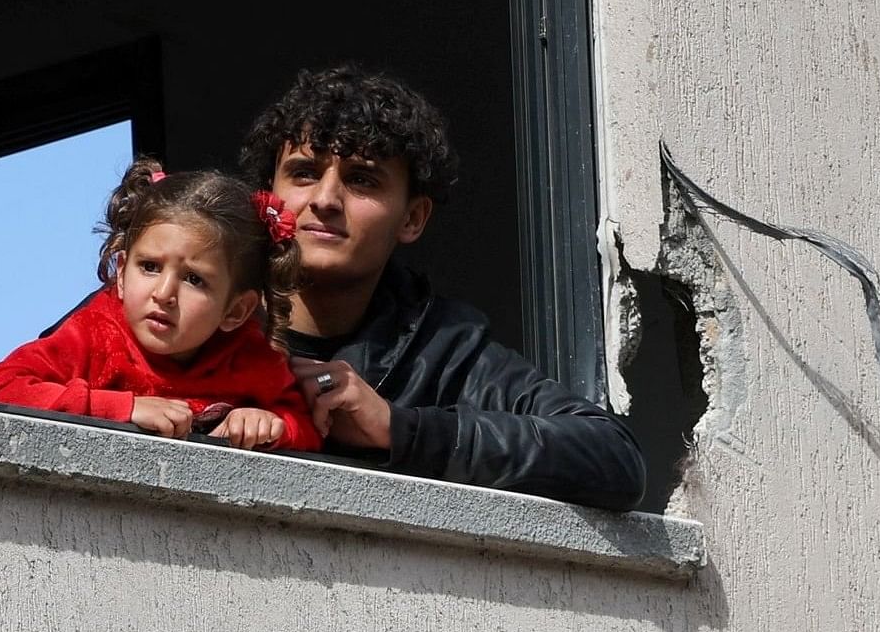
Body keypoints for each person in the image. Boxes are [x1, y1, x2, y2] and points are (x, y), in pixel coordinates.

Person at [243, 67, 649, 509]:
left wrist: (400, 429)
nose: (324, 200)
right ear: (266, 198)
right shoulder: (194, 310)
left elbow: (614, 456)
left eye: (362, 179)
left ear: (413, 218)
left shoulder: (442, 350)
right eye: (303, 173)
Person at [0, 162, 320, 450]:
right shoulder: (95, 336)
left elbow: (307, 428)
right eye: (150, 267)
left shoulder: (250, 357)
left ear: (236, 311)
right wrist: (124, 408)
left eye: (194, 280)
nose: (164, 292)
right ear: (122, 273)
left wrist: (270, 424)